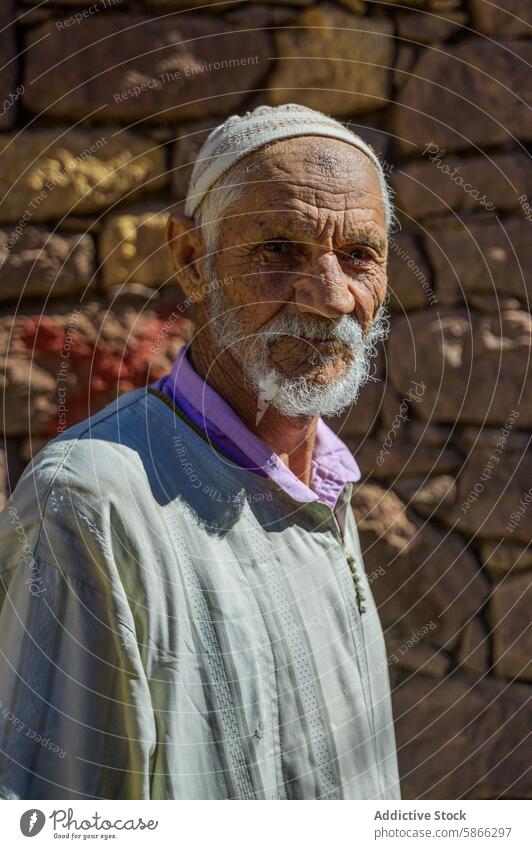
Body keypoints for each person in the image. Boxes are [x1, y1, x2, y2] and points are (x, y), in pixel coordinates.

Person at [0, 103, 400, 800]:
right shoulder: (90, 504)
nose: (333, 295)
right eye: (280, 250)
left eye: (359, 255)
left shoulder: (326, 490)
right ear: (191, 259)